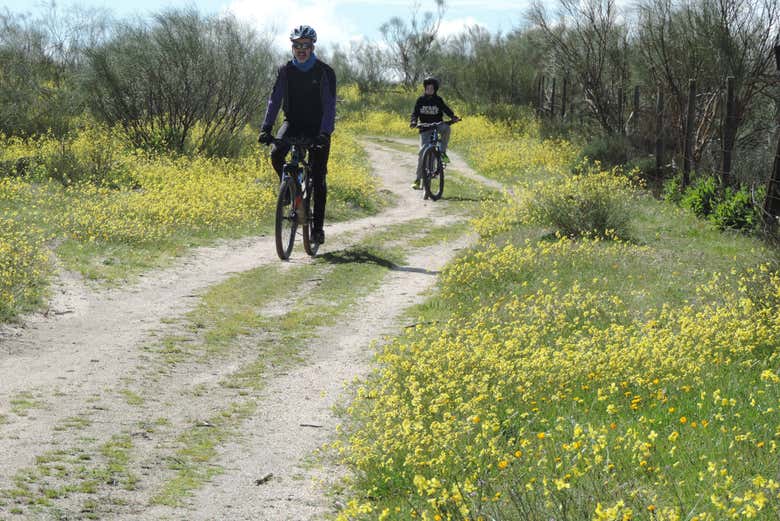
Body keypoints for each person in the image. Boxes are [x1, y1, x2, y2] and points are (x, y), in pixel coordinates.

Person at [259, 25, 336, 244]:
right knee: (276, 154)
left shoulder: (324, 72)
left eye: (305, 45)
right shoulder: (285, 70)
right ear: (292, 47)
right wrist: (266, 128)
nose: (301, 49)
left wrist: (324, 133)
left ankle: (318, 229)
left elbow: (330, 106)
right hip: (292, 122)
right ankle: (293, 185)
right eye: (297, 45)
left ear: (312, 47)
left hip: (318, 127)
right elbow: (275, 100)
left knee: (319, 176)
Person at [409, 76, 460, 190]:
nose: (429, 89)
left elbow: (446, 109)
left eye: (432, 88)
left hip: (438, 125)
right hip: (425, 128)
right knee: (423, 151)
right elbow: (415, 113)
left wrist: (453, 117)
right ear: (425, 88)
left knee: (446, 128)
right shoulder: (420, 100)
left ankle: (442, 152)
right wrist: (413, 121)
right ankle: (418, 179)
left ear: (435, 89)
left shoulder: (438, 100)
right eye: (428, 87)